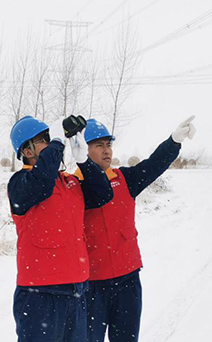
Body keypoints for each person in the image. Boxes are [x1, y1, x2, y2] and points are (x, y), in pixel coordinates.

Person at [74, 116, 196, 342]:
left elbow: (154, 165)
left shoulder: (125, 179)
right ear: (83, 148)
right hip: (91, 285)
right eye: (99, 145)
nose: (107, 150)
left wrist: (173, 142)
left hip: (127, 281)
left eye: (108, 144)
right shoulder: (72, 186)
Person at [8, 115, 114, 342]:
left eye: (52, 138)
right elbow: (42, 183)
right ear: (27, 151)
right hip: (40, 296)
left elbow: (104, 193)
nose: (55, 144)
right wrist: (57, 141)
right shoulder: (20, 183)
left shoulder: (70, 183)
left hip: (77, 292)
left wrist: (84, 160)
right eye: (44, 139)